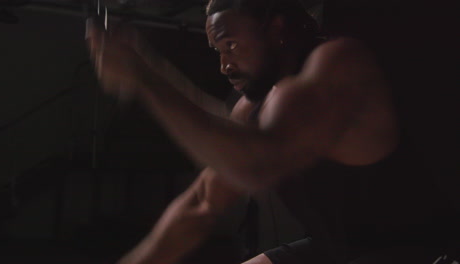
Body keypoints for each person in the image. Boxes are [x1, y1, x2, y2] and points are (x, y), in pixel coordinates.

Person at [86, 0, 450, 263]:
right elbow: (201, 203)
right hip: (331, 250)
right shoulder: (252, 107)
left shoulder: (339, 63)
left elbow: (257, 164)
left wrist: (146, 79)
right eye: (217, 50)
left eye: (230, 44)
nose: (225, 64)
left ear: (275, 28)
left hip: (410, 250)